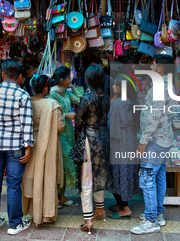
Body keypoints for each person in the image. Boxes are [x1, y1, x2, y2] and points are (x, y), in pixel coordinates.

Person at [0, 60, 34, 235]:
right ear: (19, 77)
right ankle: (15, 224)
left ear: (2, 74)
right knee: (13, 185)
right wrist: (28, 146)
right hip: (16, 146)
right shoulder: (22, 95)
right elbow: (27, 124)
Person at [130, 54, 175, 235]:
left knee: (147, 179)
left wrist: (143, 141)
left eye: (153, 65)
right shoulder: (168, 84)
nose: (150, 68)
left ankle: (150, 221)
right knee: (159, 176)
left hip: (155, 141)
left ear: (160, 69)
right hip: (164, 139)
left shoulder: (159, 87)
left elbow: (154, 117)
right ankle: (157, 213)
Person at [22, 74, 65, 225]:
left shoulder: (27, 101)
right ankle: (45, 214)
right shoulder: (52, 104)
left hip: (29, 145)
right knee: (46, 178)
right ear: (46, 88)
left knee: (31, 177)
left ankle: (30, 212)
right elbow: (60, 127)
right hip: (47, 146)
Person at [74, 65, 112, 234]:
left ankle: (88, 220)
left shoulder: (87, 97)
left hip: (89, 140)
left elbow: (79, 121)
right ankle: (100, 210)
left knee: (87, 179)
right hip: (104, 138)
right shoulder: (106, 97)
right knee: (100, 174)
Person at [48, 66, 83, 207]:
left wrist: (76, 90)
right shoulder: (52, 94)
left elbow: (81, 100)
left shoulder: (67, 93)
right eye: (68, 78)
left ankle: (61, 196)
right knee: (60, 165)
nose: (70, 80)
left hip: (68, 133)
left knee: (65, 164)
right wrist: (66, 115)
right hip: (57, 134)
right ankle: (54, 196)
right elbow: (48, 114)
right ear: (61, 80)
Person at [108, 75, 140, 219]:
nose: (113, 87)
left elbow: (112, 127)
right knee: (126, 173)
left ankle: (125, 208)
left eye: (115, 85)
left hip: (119, 142)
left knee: (118, 173)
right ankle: (121, 203)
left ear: (120, 88)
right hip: (131, 140)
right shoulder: (131, 101)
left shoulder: (117, 104)